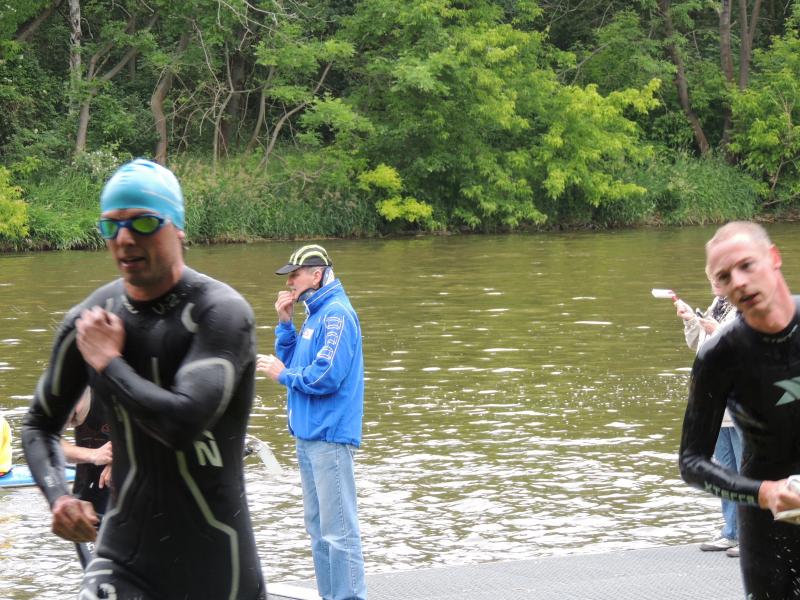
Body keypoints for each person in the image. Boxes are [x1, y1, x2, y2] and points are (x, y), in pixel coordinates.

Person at [22, 158, 265, 599]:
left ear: (178, 228)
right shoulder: (90, 319)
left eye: (144, 222)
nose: (125, 238)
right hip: (123, 556)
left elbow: (182, 424)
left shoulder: (220, 313)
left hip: (216, 564)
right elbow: (39, 425)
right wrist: (60, 498)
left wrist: (108, 363)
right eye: (111, 226)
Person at [679, 221, 800, 598]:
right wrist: (763, 493)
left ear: (774, 258)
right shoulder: (718, 356)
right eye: (724, 276)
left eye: (747, 265)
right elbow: (692, 462)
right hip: (770, 514)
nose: (739, 281)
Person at [257, 244, 366, 600]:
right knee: (319, 531)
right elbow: (296, 361)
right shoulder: (316, 313)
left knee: (339, 531)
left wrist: (283, 375)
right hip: (308, 437)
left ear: (316, 275)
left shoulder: (336, 316)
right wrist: (285, 324)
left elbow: (326, 376)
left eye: (294, 275)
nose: (289, 282)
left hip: (329, 436)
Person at [675, 285, 742, 556]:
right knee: (724, 472)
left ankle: (753, 537)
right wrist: (692, 321)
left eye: (719, 277)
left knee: (747, 472)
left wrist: (720, 331)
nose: (715, 282)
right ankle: (731, 533)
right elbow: (700, 346)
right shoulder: (718, 304)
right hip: (715, 405)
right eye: (711, 277)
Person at [61, 388, 112, 517]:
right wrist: (92, 455)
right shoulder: (63, 389)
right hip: (85, 494)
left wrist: (122, 459)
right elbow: (47, 440)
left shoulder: (119, 391)